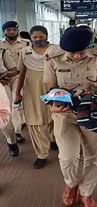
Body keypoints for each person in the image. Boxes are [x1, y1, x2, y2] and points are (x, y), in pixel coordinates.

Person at [43, 27, 97, 207]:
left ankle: (86, 192)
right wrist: (54, 102)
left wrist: (96, 95)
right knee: (68, 157)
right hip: (65, 114)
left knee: (92, 157)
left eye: (80, 52)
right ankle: (71, 183)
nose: (76, 56)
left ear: (89, 46)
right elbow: (51, 88)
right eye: (71, 53)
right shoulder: (53, 59)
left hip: (92, 112)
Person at [15, 25, 58, 169]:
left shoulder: (56, 50)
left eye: (41, 37)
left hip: (52, 87)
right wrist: (17, 92)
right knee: (34, 121)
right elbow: (21, 73)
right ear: (30, 38)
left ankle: (54, 139)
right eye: (35, 37)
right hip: (32, 91)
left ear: (47, 36)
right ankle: (42, 154)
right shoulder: (25, 51)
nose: (38, 40)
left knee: (56, 116)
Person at [1, 21, 30, 143]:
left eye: (14, 29)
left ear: (18, 30)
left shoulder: (26, 43)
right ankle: (13, 130)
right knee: (8, 105)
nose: (11, 32)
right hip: (4, 78)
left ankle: (17, 132)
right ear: (4, 31)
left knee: (16, 103)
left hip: (20, 76)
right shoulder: (0, 44)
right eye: (8, 30)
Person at [0, 44, 19, 156]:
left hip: (1, 87)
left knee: (6, 120)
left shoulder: (2, 52)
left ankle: (12, 142)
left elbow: (13, 70)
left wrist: (6, 77)